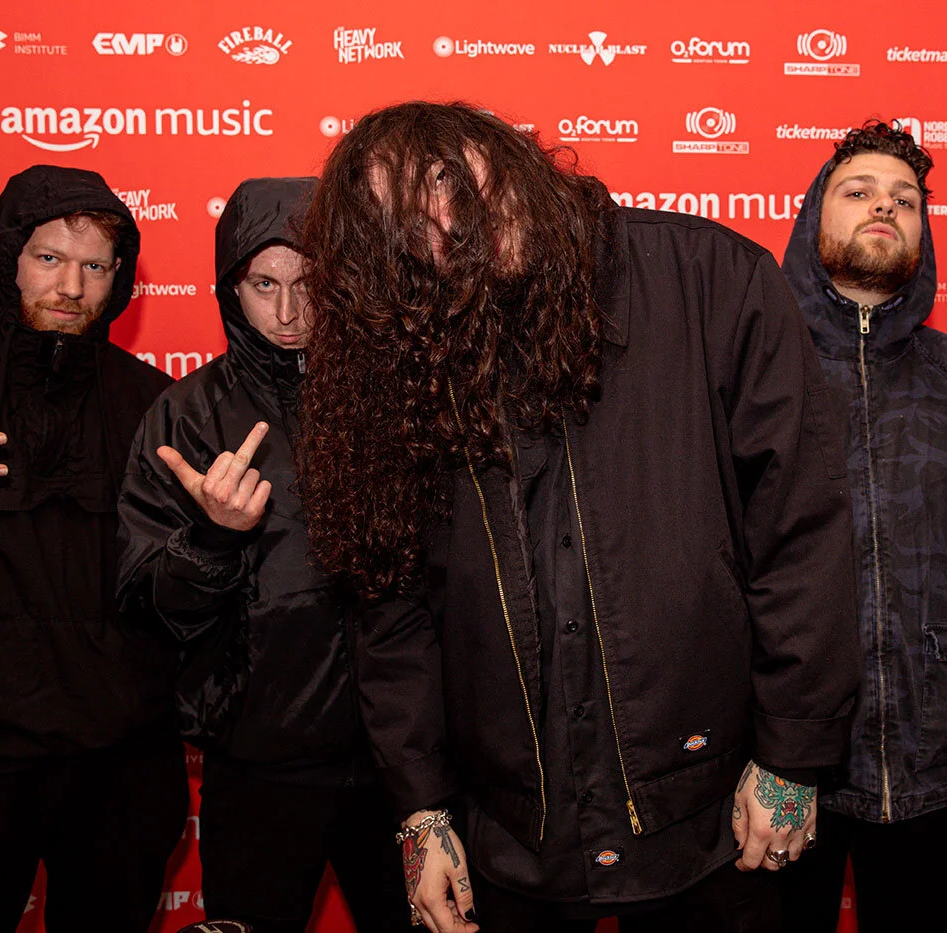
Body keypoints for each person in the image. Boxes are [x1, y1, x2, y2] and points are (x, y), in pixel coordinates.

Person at [297, 101, 860, 933]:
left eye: (449, 177)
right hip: (514, 834)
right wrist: (422, 810)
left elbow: (802, 535)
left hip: (709, 815)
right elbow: (393, 607)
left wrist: (792, 756)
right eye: (408, 224)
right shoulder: (414, 352)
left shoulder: (711, 278)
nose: (449, 220)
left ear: (508, 153)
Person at [0, 165, 185, 931]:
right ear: (7, 256)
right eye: (50, 258)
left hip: (117, 761)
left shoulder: (152, 399)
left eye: (95, 267)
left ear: (120, 278)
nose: (72, 287)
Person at [117, 177, 410, 933]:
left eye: (310, 284)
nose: (288, 313)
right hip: (260, 760)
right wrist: (211, 539)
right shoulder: (186, 415)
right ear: (231, 289)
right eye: (264, 285)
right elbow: (146, 605)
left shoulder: (397, 396)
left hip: (402, 759)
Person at [774, 120, 947, 931]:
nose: (884, 207)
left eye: (906, 199)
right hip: (783, 767)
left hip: (941, 761)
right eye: (859, 192)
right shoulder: (756, 375)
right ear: (813, 217)